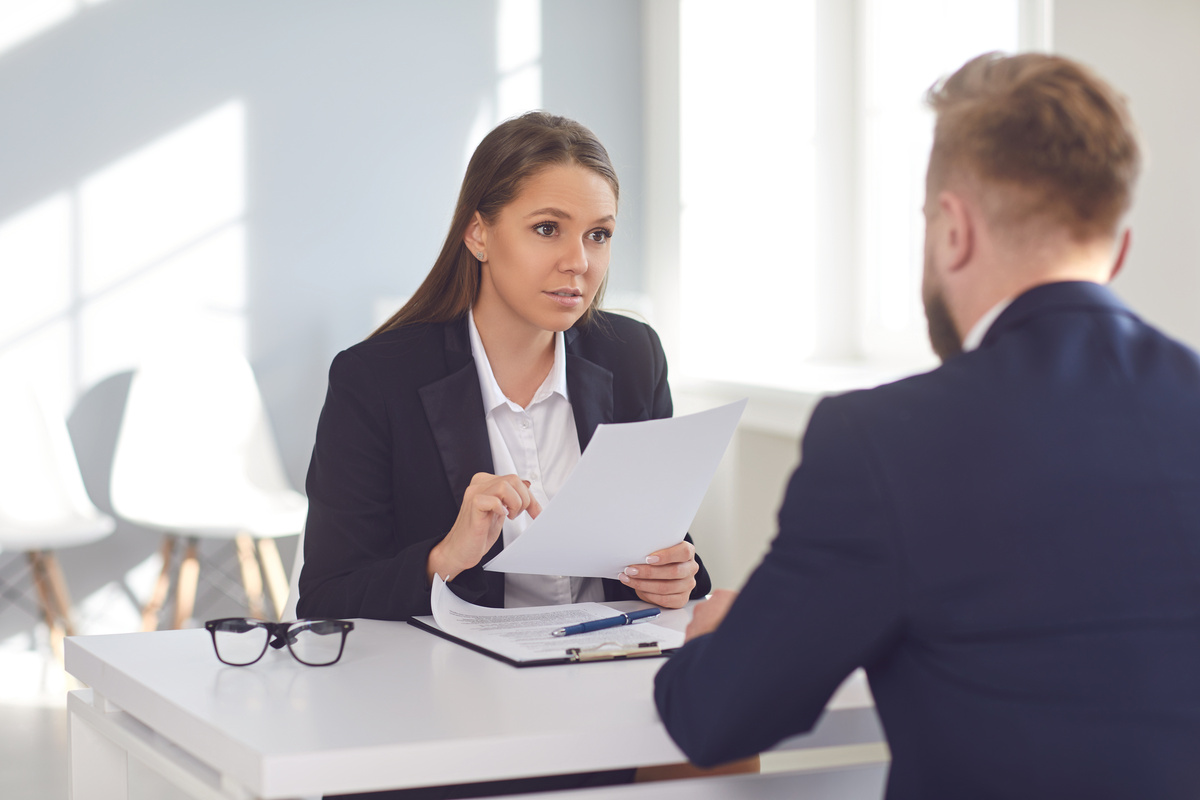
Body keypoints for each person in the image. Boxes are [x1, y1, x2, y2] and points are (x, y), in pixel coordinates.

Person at [654, 52, 1200, 799]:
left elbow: (717, 718)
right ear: (1120, 248)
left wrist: (719, 640)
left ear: (951, 230)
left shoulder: (883, 442)